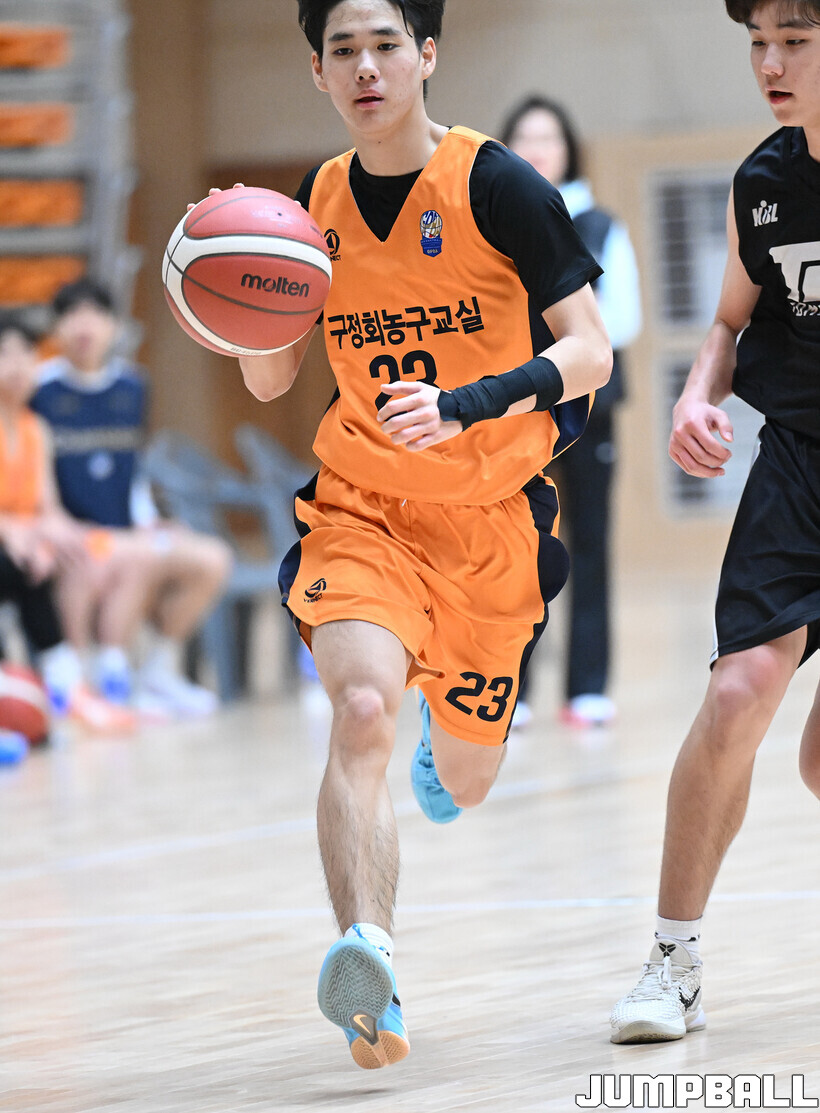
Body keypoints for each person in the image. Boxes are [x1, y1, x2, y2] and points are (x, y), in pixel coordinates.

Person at [202, 0, 610, 1070]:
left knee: (464, 784)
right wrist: (236, 306)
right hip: (364, 508)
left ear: (426, 55)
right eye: (342, 50)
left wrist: (466, 405)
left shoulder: (498, 186)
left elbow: (591, 353)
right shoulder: (313, 205)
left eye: (386, 45)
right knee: (361, 708)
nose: (366, 68)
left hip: (489, 520)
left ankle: (454, 734)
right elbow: (274, 379)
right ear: (317, 71)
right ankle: (369, 965)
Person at [610, 0, 820, 1043]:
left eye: (796, 40)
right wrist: (696, 397)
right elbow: (731, 323)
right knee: (737, 693)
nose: (769, 62)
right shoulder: (763, 183)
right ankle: (672, 960)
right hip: (799, 469)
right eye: (757, 42)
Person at [499, 95, 642, 730]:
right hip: (512, 413)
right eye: (524, 138)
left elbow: (623, 322)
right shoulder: (496, 223)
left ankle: (587, 688)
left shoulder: (602, 225)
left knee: (589, 544)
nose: (537, 149)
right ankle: (512, 689)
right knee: (516, 548)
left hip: (590, 412)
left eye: (548, 138)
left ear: (569, 150)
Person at [31, 278, 232, 720]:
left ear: (115, 326)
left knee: (211, 558)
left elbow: (134, 466)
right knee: (129, 557)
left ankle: (157, 671)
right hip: (74, 536)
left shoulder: (133, 386)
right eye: (71, 314)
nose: (84, 325)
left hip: (128, 533)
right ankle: (101, 681)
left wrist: (150, 519)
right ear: (56, 328)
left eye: (95, 313)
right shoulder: (39, 390)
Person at [0, 310, 135, 736]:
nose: (18, 365)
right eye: (5, 354)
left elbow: (48, 508)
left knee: (68, 557)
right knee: (14, 565)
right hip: (9, 545)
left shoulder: (35, 428)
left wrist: (63, 538)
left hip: (24, 544)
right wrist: (14, 533)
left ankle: (71, 689)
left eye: (26, 353)